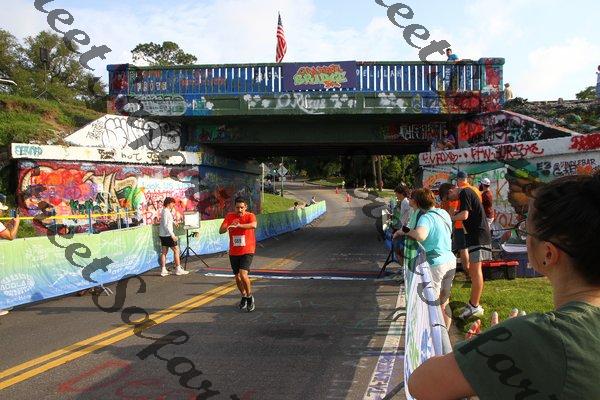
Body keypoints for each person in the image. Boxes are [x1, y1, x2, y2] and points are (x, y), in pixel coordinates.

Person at [408, 172, 600, 400]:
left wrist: (491, 346)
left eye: (526, 230)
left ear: (548, 254)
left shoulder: (533, 338)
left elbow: (420, 383)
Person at [393, 188, 455, 329]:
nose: (409, 200)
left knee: (433, 302)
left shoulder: (426, 218)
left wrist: (405, 231)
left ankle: (435, 335)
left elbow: (420, 235)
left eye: (411, 198)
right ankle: (445, 334)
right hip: (449, 260)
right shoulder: (443, 213)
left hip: (435, 264)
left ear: (416, 202)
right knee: (444, 301)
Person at [440, 179, 491, 320]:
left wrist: (449, 218)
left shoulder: (464, 192)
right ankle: (473, 304)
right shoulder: (465, 194)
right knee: (474, 272)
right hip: (476, 236)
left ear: (451, 191)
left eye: (448, 198)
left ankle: (474, 307)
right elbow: (466, 213)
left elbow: (464, 215)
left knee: (475, 272)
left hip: (479, 236)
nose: (450, 201)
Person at [219, 197, 258, 312]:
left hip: (248, 249)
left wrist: (239, 225)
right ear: (234, 207)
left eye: (241, 207)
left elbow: (254, 225)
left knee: (243, 274)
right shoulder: (230, 216)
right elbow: (221, 230)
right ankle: (244, 295)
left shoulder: (250, 215)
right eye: (237, 207)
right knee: (237, 277)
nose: (239, 210)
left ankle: (250, 297)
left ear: (245, 207)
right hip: (234, 251)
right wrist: (228, 225)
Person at [159, 197, 188, 277]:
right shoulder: (166, 212)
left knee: (164, 252)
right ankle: (178, 269)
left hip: (163, 234)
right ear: (168, 203)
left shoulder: (165, 210)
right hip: (168, 235)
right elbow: (166, 225)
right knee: (176, 250)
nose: (173, 205)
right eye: (172, 203)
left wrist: (174, 222)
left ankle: (163, 270)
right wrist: (172, 235)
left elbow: (167, 221)